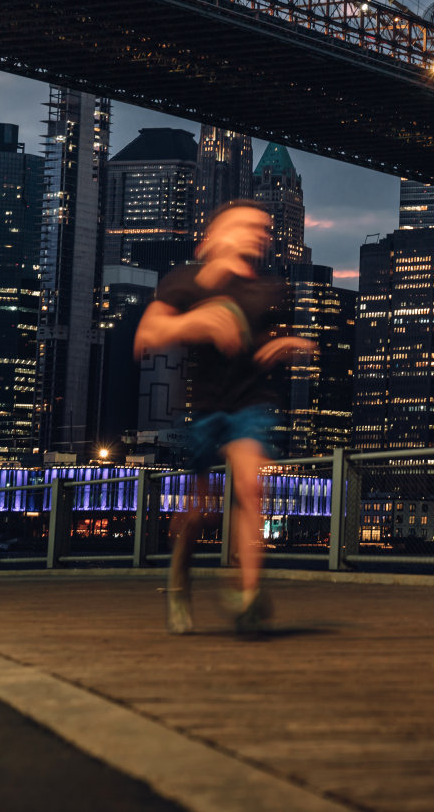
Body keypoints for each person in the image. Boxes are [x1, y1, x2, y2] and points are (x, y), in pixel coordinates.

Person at [133, 200, 314, 635]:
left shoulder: (270, 289)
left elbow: (264, 339)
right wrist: (196, 321)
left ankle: (248, 595)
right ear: (216, 233)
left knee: (252, 486)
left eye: (264, 227)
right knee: (201, 512)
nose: (260, 232)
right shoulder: (186, 282)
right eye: (248, 224)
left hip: (252, 405)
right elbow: (147, 336)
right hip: (207, 408)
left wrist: (284, 345)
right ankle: (180, 575)